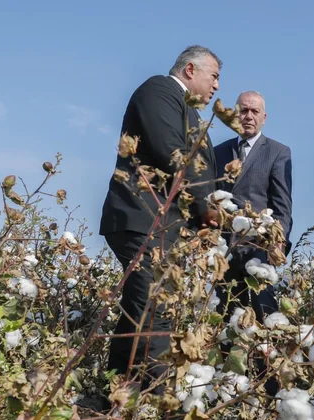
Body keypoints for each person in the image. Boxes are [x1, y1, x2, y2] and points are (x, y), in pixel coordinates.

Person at [98, 45, 222, 392]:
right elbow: (175, 153)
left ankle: (117, 393)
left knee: (139, 307)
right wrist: (205, 207)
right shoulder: (160, 90)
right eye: (213, 77)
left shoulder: (185, 107)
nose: (216, 87)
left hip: (160, 223)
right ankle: (159, 399)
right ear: (190, 70)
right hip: (143, 218)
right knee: (155, 308)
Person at [213, 91, 292, 323]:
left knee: (265, 315)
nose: (248, 116)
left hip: (260, 249)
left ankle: (264, 361)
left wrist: (278, 241)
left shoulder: (278, 152)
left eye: (254, 111)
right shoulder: (218, 152)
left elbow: (282, 205)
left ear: (264, 117)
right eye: (244, 110)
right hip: (225, 250)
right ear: (235, 114)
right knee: (228, 319)